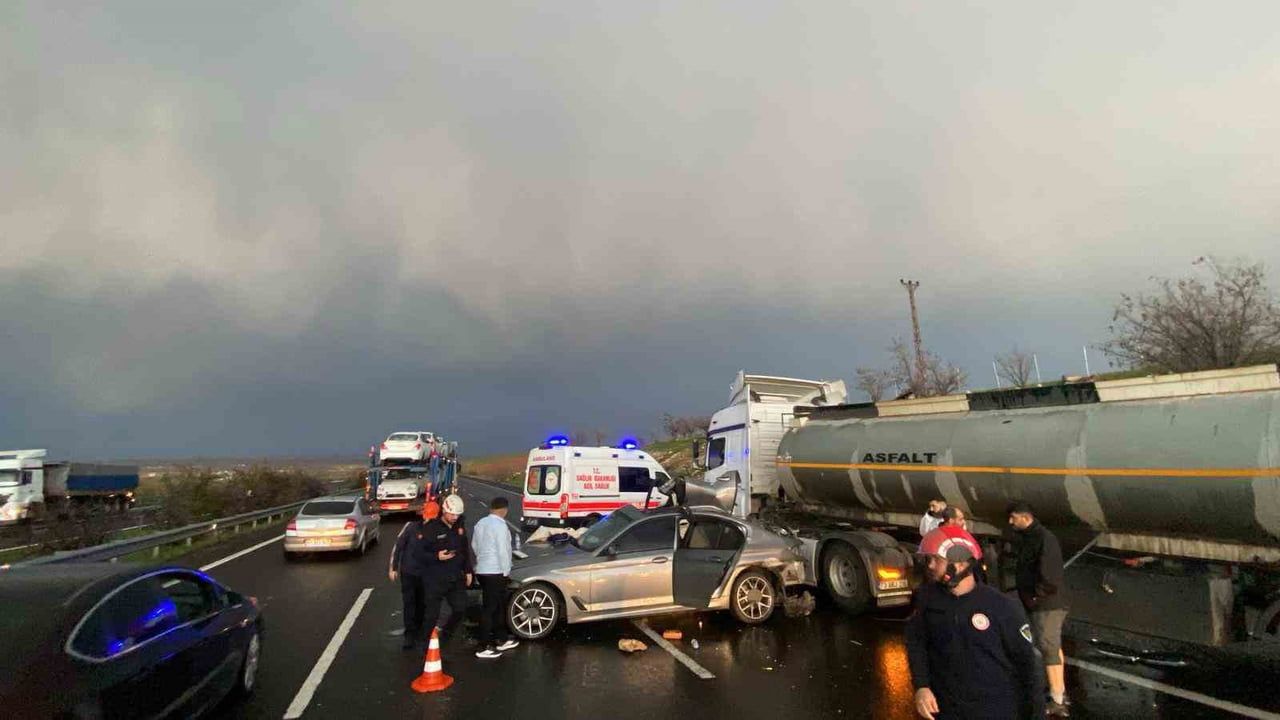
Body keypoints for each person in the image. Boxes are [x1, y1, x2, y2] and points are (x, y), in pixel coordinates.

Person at [906, 527, 1044, 720]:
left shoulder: (1002, 607)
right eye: (928, 559)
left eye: (935, 559)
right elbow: (916, 643)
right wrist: (922, 686)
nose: (929, 565)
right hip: (947, 711)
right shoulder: (927, 599)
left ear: (960, 564)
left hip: (995, 712)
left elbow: (1029, 666)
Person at [1007, 501, 1069, 716]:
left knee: (1048, 646)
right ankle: (1059, 690)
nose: (1010, 522)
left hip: (1047, 604)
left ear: (1025, 517)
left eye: (1013, 517)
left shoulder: (1043, 538)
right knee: (1051, 646)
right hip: (1040, 602)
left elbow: (1050, 575)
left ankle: (1057, 701)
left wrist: (1035, 596)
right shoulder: (1031, 537)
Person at [418, 493, 473, 646]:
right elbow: (419, 553)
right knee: (432, 615)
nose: (455, 517)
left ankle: (446, 637)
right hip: (434, 579)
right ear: (444, 511)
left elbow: (464, 549)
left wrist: (468, 570)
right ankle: (425, 645)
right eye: (452, 514)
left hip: (455, 577)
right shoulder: (431, 528)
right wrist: (436, 556)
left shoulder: (459, 528)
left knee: (460, 608)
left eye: (457, 514)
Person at [471, 496, 521, 658]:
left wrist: (482, 559)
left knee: (497, 606)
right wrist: (506, 572)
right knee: (491, 608)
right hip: (496, 571)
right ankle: (483, 646)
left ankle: (502, 639)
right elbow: (503, 550)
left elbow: (474, 545)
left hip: (482, 570)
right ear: (504, 510)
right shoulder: (500, 526)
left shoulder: (480, 523)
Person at [389, 500, 438, 649]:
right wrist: (393, 567)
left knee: (423, 603)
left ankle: (420, 632)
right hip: (409, 572)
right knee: (410, 603)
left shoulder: (437, 531)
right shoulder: (410, 527)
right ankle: (410, 635)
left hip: (426, 574)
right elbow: (399, 546)